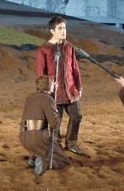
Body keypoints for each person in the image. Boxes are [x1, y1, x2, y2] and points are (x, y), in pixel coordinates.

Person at [35, 16, 84, 155]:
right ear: (52, 31)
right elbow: (40, 76)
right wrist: (46, 91)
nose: (64, 31)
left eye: (64, 28)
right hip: (54, 94)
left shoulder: (69, 47)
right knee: (55, 121)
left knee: (77, 117)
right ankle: (56, 145)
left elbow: (75, 68)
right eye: (60, 28)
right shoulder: (43, 50)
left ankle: (71, 144)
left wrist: (79, 87)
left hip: (70, 91)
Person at [19, 75, 70, 176]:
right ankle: (44, 163)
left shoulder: (29, 98)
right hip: (38, 138)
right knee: (63, 161)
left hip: (24, 137)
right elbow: (54, 124)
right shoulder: (48, 99)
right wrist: (55, 110)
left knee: (42, 151)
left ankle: (35, 159)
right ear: (49, 87)